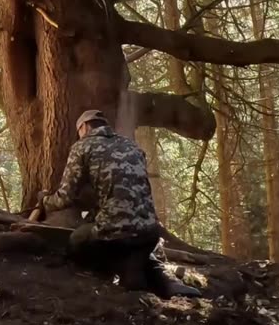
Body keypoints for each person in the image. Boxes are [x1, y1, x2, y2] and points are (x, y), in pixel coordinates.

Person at [34, 109, 201, 299]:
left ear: (85, 126)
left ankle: (119, 273)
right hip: (149, 233)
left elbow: (65, 197)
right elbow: (125, 188)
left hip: (114, 233)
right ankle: (160, 282)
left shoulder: (83, 146)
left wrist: (44, 200)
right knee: (134, 262)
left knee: (77, 240)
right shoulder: (132, 146)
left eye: (79, 131)